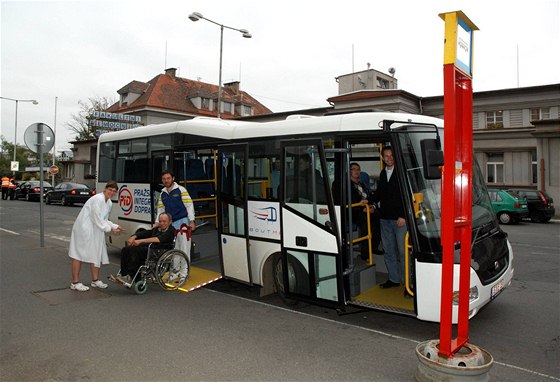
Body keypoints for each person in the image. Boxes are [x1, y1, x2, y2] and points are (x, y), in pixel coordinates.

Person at [68, 181, 123, 291]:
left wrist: (114, 226)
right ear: (105, 189)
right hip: (84, 229)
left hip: (95, 230)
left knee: (96, 253)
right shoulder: (97, 199)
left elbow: (104, 220)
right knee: (78, 254)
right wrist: (110, 229)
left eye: (114, 191)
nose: (111, 192)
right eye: (110, 190)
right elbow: (97, 219)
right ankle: (75, 282)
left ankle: (95, 280)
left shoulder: (109, 203)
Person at [371, 146, 407, 290]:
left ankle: (408, 284)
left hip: (400, 220)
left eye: (391, 155)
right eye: (386, 156)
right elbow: (380, 193)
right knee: (389, 251)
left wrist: (404, 216)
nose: (389, 158)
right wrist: (372, 203)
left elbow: (408, 196)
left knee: (402, 252)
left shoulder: (402, 173)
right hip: (385, 219)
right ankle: (394, 279)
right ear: (382, 158)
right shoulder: (383, 173)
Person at [114, 212, 175, 283]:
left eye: (164, 221)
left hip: (159, 251)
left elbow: (157, 239)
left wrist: (140, 241)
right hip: (151, 248)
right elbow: (147, 233)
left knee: (134, 251)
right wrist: (134, 236)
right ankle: (124, 274)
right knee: (125, 249)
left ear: (170, 221)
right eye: (160, 221)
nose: (162, 223)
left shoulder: (171, 231)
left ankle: (135, 277)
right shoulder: (158, 229)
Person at [349, 163, 382, 260]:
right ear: (349, 171)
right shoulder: (347, 185)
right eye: (354, 169)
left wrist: (373, 206)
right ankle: (365, 253)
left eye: (358, 169)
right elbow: (349, 200)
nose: (356, 171)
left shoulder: (362, 183)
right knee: (365, 221)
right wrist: (362, 208)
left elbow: (370, 197)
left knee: (381, 218)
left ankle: (374, 246)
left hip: (367, 208)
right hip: (355, 210)